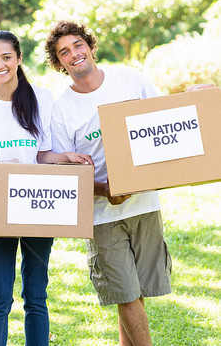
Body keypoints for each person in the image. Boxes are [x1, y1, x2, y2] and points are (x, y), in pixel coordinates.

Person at [46, 20, 172, 346]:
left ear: (89, 45)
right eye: (64, 52)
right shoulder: (62, 109)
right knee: (125, 295)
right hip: (102, 214)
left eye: (77, 45)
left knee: (136, 293)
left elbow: (163, 123)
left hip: (144, 203)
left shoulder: (129, 78)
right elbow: (63, 171)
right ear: (58, 63)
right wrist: (105, 190)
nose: (74, 54)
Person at [0, 30, 92, 346]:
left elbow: (42, 155)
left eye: (6, 57)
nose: (0, 65)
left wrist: (66, 157)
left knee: (36, 293)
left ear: (19, 58)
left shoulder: (41, 97)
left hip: (35, 204)